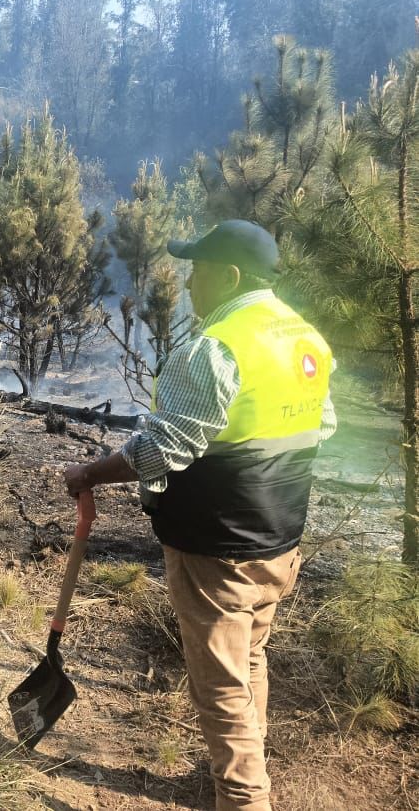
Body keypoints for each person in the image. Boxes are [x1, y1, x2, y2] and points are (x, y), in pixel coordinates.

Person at [63, 220, 336, 811]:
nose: (188, 281)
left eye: (198, 269)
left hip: (219, 547)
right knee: (251, 657)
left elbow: (167, 446)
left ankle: (243, 799)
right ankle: (237, 772)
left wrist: (90, 473)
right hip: (280, 540)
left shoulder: (219, 345)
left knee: (220, 691)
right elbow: (324, 426)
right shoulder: (306, 338)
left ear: (230, 275)